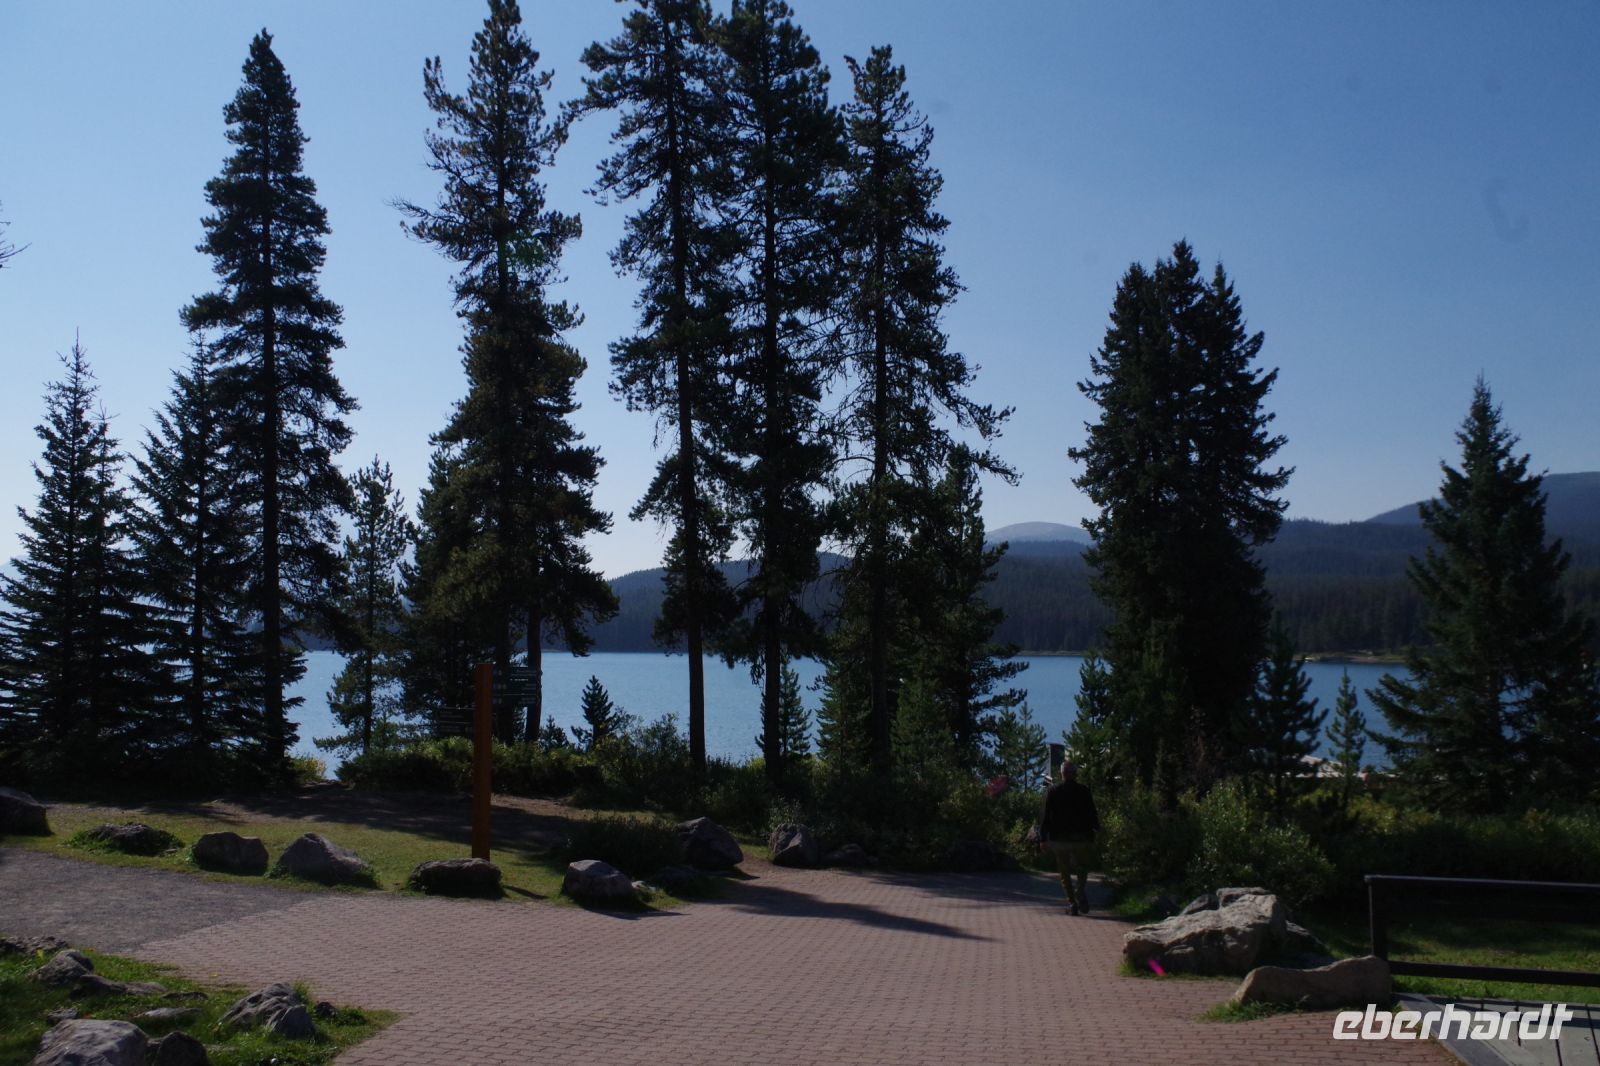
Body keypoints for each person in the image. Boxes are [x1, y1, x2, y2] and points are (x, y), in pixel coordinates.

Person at [1039, 760, 1099, 915]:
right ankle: (1080, 891)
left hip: (1059, 839)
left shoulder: (1053, 791)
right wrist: (1096, 831)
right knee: (1082, 868)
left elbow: (1045, 816)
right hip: (1081, 838)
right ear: (1074, 773)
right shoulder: (1084, 791)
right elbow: (1092, 813)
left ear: (1062, 773)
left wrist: (1043, 838)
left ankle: (1072, 903)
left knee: (1064, 872)